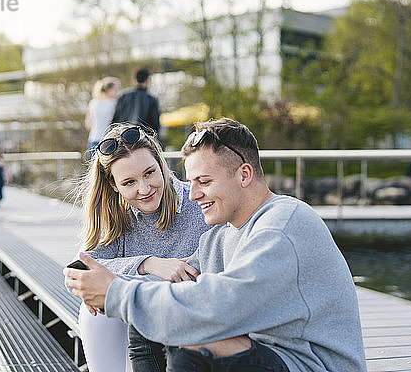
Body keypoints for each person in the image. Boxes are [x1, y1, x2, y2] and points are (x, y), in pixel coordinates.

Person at [65, 118, 367, 372]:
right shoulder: (220, 236)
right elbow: (181, 286)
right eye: (191, 182)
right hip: (270, 353)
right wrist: (101, 284)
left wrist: (115, 292)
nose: (193, 195)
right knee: (154, 322)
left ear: (244, 174)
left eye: (204, 182)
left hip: (311, 363)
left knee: (195, 342)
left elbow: (218, 307)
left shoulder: (283, 223)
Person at [71, 123, 210, 372]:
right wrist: (148, 264)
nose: (144, 189)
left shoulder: (198, 202)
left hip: (191, 324)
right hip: (135, 335)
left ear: (160, 163)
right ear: (114, 186)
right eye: (129, 182)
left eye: (149, 173)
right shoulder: (117, 215)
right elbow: (82, 270)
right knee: (96, 309)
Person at [111, 68, 160, 137]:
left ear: (134, 80)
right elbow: (155, 124)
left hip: (122, 137)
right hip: (142, 139)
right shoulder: (151, 99)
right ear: (147, 80)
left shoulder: (122, 96)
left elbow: (115, 121)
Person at [85, 77, 120, 154]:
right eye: (116, 89)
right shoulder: (114, 103)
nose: (118, 92)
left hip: (93, 139)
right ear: (109, 90)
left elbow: (88, 125)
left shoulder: (93, 103)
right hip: (108, 140)